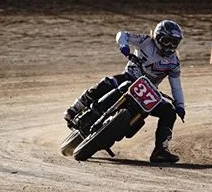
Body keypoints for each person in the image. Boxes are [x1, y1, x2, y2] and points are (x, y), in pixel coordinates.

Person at [64, 20, 186, 164]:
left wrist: (180, 105)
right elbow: (122, 35)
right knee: (106, 83)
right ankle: (74, 109)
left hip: (149, 92)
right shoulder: (145, 41)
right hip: (129, 77)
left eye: (174, 43)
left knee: (169, 112)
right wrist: (124, 45)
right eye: (167, 41)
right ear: (158, 38)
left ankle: (161, 150)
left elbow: (176, 86)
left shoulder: (174, 63)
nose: (170, 46)